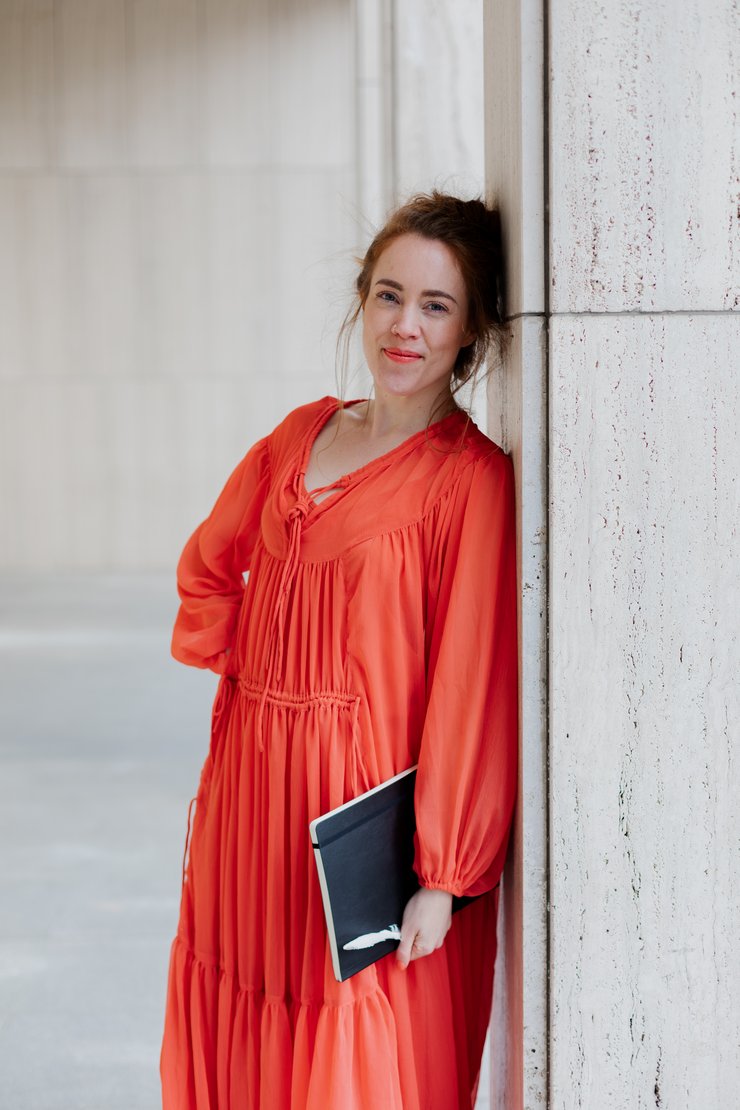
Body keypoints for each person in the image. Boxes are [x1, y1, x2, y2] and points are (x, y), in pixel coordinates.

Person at [159, 191, 519, 1109]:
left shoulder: (470, 482)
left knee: (349, 1059)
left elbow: (471, 688)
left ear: (471, 329)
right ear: (362, 300)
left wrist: (443, 876)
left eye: (436, 305)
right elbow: (207, 570)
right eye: (389, 295)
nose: (405, 327)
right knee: (244, 1025)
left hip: (360, 831)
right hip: (252, 800)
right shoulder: (298, 436)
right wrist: (265, 679)